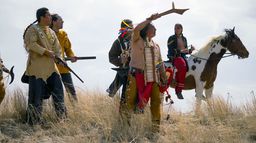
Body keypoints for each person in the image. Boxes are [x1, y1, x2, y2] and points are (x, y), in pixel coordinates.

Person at [23, 7, 67, 125]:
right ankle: (33, 122)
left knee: (59, 93)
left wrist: (60, 59)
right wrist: (46, 52)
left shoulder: (51, 32)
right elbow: (30, 44)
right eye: (48, 15)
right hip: (37, 69)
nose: (51, 17)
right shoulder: (32, 29)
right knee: (36, 97)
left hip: (52, 68)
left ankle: (62, 120)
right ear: (42, 17)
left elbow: (57, 49)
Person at [124, 13, 162, 132]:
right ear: (146, 30)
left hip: (153, 78)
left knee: (156, 101)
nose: (155, 29)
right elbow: (136, 29)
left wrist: (164, 77)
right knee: (130, 101)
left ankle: (155, 128)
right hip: (136, 76)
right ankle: (125, 126)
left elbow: (160, 62)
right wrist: (149, 19)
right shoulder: (136, 40)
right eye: (153, 27)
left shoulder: (156, 46)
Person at [50, 14, 78, 102]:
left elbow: (68, 49)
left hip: (64, 68)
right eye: (60, 20)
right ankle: (60, 115)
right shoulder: (47, 34)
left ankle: (77, 112)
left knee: (71, 91)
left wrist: (72, 56)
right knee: (57, 93)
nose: (63, 21)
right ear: (54, 21)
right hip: (52, 69)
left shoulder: (63, 34)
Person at [106, 19, 133, 104]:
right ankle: (122, 113)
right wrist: (120, 60)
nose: (132, 29)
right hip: (124, 70)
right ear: (124, 28)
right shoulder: (117, 42)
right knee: (125, 94)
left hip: (135, 71)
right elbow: (111, 57)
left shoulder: (136, 40)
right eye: (130, 27)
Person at [167, 23, 194, 99]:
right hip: (175, 57)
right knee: (183, 66)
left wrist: (190, 50)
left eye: (178, 28)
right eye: (175, 28)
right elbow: (171, 49)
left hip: (183, 57)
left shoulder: (184, 39)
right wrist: (182, 50)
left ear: (182, 29)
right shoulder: (171, 38)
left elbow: (185, 51)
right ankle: (178, 90)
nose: (176, 29)